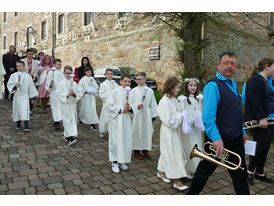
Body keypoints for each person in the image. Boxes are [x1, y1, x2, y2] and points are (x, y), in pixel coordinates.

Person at [187, 52, 250, 195]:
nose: (229, 66)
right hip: (219, 139)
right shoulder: (213, 86)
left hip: (236, 138)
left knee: (240, 175)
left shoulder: (234, 85)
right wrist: (215, 138)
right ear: (219, 65)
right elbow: (208, 117)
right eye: (226, 63)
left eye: (232, 63)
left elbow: (236, 112)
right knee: (204, 172)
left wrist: (243, 131)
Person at [244, 58, 274, 184]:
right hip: (258, 121)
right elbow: (253, 100)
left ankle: (260, 172)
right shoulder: (255, 80)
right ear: (267, 67)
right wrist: (261, 117)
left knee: (265, 146)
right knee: (260, 146)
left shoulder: (267, 81)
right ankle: (249, 171)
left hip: (269, 120)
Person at [156, 77, 188, 191]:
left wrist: (183, 114)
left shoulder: (174, 99)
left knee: (168, 151)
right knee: (172, 153)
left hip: (175, 130)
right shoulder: (164, 101)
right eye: (177, 87)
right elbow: (169, 120)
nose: (179, 90)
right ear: (171, 87)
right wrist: (180, 118)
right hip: (168, 131)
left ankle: (161, 171)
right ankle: (176, 179)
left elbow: (178, 112)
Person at [105, 73, 134, 174]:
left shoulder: (131, 92)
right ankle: (114, 161)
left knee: (125, 140)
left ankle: (123, 160)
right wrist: (121, 109)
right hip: (117, 119)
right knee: (116, 140)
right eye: (125, 81)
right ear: (120, 81)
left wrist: (130, 108)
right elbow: (108, 105)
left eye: (129, 81)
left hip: (126, 120)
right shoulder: (114, 92)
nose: (127, 83)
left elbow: (134, 105)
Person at [178, 78, 204, 179]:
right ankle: (188, 169)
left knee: (196, 145)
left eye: (195, 85)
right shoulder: (183, 99)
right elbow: (183, 112)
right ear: (187, 86)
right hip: (188, 128)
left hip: (196, 129)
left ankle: (196, 169)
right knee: (188, 146)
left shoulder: (198, 99)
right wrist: (192, 118)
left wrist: (199, 116)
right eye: (191, 85)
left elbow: (199, 111)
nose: (193, 87)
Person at [131, 72, 158, 159]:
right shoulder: (133, 91)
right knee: (137, 131)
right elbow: (131, 103)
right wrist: (136, 106)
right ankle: (136, 151)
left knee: (147, 131)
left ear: (145, 79)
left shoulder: (149, 91)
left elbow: (153, 103)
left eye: (140, 79)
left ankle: (145, 149)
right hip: (138, 114)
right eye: (137, 79)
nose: (138, 81)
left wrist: (153, 116)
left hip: (147, 113)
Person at [7, 61, 38, 131]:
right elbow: (9, 84)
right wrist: (15, 87)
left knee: (25, 110)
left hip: (24, 96)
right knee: (17, 110)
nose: (18, 67)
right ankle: (18, 123)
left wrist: (32, 98)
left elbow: (31, 87)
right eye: (17, 66)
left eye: (20, 66)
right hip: (17, 96)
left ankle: (26, 125)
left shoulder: (28, 77)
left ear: (24, 67)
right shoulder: (13, 76)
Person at [56, 65, 80, 146]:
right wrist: (67, 93)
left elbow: (79, 94)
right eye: (67, 73)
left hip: (72, 104)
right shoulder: (60, 83)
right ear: (63, 73)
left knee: (73, 120)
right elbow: (58, 94)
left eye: (70, 73)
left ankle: (66, 135)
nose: (69, 75)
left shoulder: (74, 83)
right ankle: (70, 138)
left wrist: (74, 94)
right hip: (65, 104)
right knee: (67, 120)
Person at [98, 68, 119, 137]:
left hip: (114, 104)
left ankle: (112, 131)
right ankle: (102, 130)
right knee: (105, 118)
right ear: (105, 75)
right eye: (108, 74)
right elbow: (101, 94)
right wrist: (109, 98)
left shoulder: (115, 84)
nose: (110, 75)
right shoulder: (103, 84)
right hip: (107, 104)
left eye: (111, 74)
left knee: (113, 118)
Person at [77, 66, 100, 130]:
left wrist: (94, 90)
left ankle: (92, 123)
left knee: (92, 110)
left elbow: (96, 87)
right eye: (88, 72)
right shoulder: (83, 79)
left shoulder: (92, 79)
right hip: (85, 97)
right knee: (85, 109)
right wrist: (84, 91)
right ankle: (81, 119)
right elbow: (79, 88)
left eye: (90, 72)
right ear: (85, 72)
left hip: (92, 97)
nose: (90, 73)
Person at [45, 58, 64, 129]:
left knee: (61, 107)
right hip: (54, 92)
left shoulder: (63, 72)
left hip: (61, 93)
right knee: (55, 107)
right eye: (58, 64)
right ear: (54, 64)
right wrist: (50, 84)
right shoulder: (51, 73)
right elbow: (47, 83)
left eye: (60, 64)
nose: (59, 65)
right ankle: (56, 122)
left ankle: (62, 119)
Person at [21, 48, 39, 115]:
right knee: (26, 95)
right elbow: (21, 70)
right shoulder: (22, 61)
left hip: (33, 80)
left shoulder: (35, 62)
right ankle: (25, 108)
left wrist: (34, 76)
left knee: (32, 95)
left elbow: (36, 71)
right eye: (29, 54)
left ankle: (30, 109)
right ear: (26, 53)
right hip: (25, 79)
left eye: (32, 54)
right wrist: (27, 76)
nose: (30, 55)